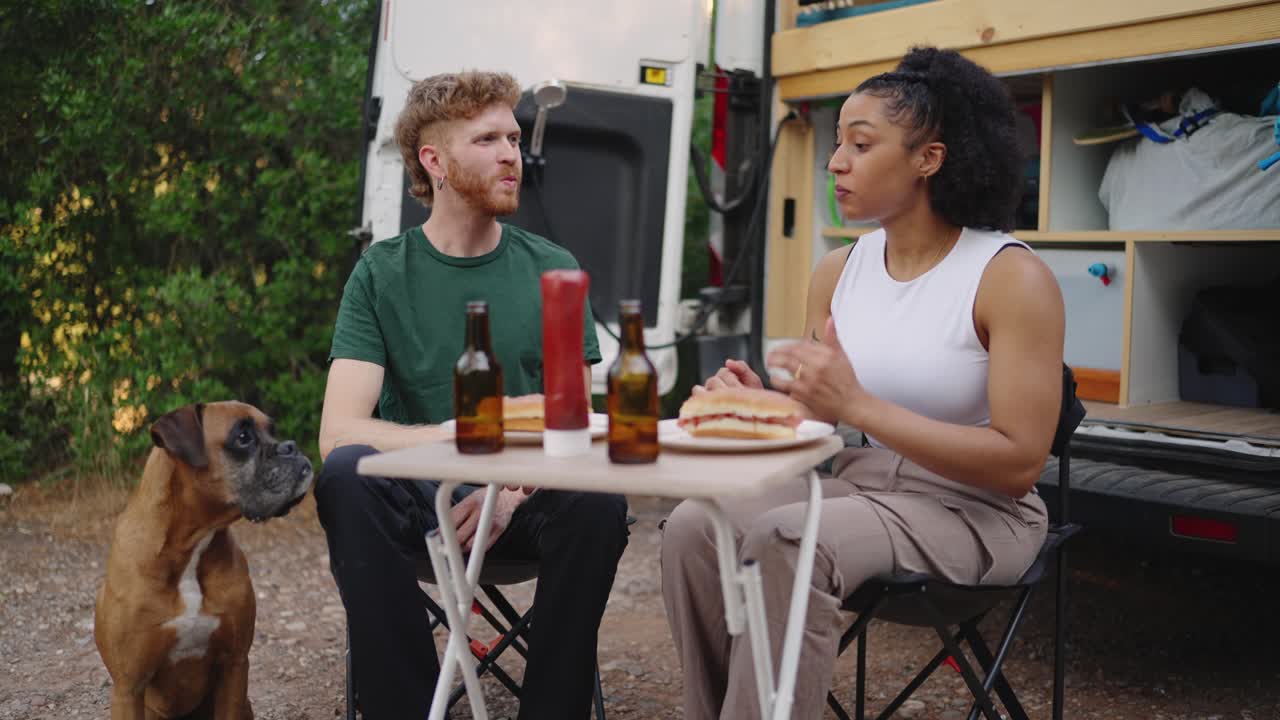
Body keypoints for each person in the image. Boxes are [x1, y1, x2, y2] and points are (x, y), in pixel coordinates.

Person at [660, 46, 1066, 719]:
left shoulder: (1009, 277)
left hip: (977, 512)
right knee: (692, 527)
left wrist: (857, 406)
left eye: (860, 143)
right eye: (837, 143)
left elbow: (1020, 464)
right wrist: (761, 405)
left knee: (788, 538)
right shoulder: (838, 270)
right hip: (859, 482)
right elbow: (820, 416)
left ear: (928, 159)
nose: (835, 161)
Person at [314, 70, 629, 720]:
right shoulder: (381, 273)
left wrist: (510, 487)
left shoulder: (552, 267)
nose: (512, 153)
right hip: (423, 506)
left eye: (514, 137)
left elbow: (576, 429)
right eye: (488, 138)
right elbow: (340, 432)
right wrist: (467, 444)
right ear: (435, 160)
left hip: (528, 502)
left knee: (598, 498)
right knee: (346, 474)